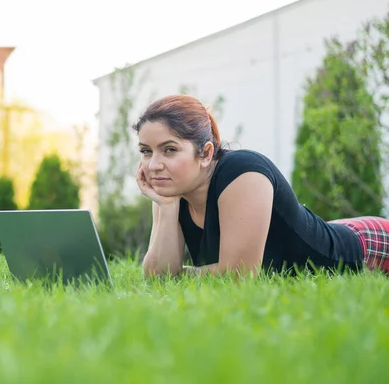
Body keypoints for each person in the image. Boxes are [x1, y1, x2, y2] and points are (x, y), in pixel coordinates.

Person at [133, 94, 389, 278]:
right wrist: (166, 206)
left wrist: (183, 274)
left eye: (169, 150)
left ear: (206, 153)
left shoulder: (243, 172)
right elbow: (159, 276)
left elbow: (238, 275)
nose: (154, 165)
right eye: (146, 151)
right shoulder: (172, 191)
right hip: (327, 231)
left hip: (371, 245)